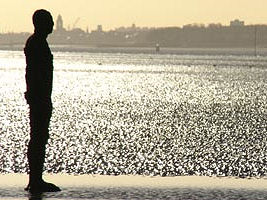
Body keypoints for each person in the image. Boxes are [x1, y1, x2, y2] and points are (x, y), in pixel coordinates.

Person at [24, 9, 60, 193]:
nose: (53, 24)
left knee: (40, 138)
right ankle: (35, 180)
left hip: (42, 97)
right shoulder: (36, 43)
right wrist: (34, 94)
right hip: (39, 98)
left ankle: (36, 178)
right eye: (50, 21)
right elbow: (32, 72)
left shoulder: (39, 42)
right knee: (38, 138)